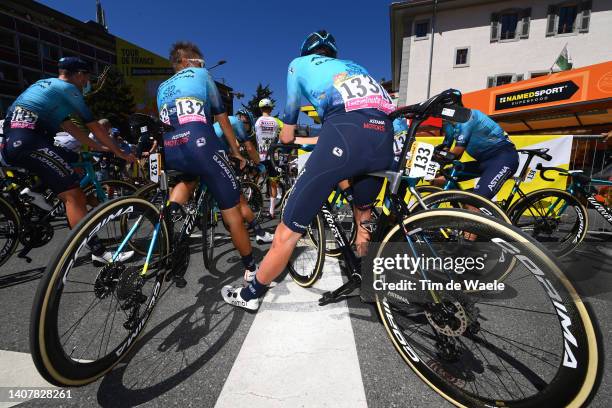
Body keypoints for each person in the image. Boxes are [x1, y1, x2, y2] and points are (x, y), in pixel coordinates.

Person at [222, 30, 395, 310]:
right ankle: (367, 279)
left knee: (286, 233)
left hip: (344, 133)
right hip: (383, 136)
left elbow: (288, 134)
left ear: (307, 52)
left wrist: (292, 141)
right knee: (363, 216)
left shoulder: (299, 64)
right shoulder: (357, 67)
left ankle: (250, 295)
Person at [0, 57, 136, 263]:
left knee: (70, 162)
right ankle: (99, 252)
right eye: (87, 78)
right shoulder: (67, 89)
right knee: (75, 196)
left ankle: (37, 191)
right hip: (30, 141)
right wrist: (119, 151)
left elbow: (71, 128)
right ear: (79, 74)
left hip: (14, 142)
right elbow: (94, 126)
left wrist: (99, 147)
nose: (86, 83)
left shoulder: (44, 86)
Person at [157, 41, 258, 286]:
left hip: (172, 147)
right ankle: (251, 268)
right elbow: (221, 118)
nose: (202, 65)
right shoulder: (202, 74)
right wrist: (236, 152)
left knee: (185, 182)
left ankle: (170, 232)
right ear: (188, 61)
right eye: (200, 61)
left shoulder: (162, 87)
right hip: (200, 145)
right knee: (232, 211)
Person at [433, 92, 519, 201]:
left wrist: (438, 155)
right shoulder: (450, 124)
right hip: (483, 162)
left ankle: (476, 207)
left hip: (503, 159)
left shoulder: (468, 118)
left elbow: (456, 154)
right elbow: (446, 149)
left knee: (474, 203)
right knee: (437, 179)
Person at [212, 108, 274, 244]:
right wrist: (261, 165)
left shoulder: (226, 123)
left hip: (202, 148)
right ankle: (259, 232)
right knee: (240, 200)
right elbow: (250, 148)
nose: (245, 132)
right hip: (214, 155)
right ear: (246, 121)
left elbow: (229, 151)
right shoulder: (237, 123)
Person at [254, 98, 284, 218]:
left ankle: (255, 201)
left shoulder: (257, 121)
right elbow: (284, 132)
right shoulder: (276, 121)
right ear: (271, 108)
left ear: (261, 109)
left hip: (260, 155)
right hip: (273, 155)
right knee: (273, 182)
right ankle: (271, 211)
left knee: (256, 179)